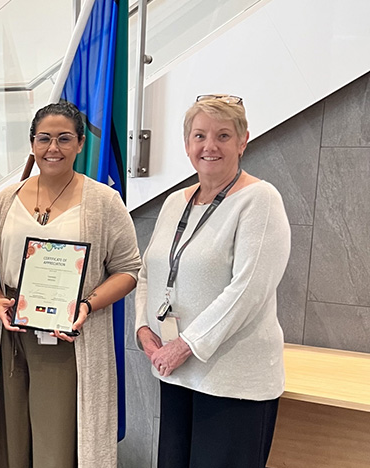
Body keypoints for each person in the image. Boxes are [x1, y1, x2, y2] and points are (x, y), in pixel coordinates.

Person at [0, 101, 141, 467]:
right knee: (14, 434)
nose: (53, 148)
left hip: (71, 337)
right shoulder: (6, 199)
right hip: (12, 332)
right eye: (44, 139)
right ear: (32, 143)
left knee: (59, 440)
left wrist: (86, 306)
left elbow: (129, 269)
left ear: (81, 144)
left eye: (64, 139)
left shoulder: (103, 201)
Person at [135, 94, 290, 468]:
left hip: (232, 380)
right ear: (187, 144)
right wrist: (143, 327)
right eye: (200, 136)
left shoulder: (259, 200)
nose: (210, 146)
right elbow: (148, 274)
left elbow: (248, 290)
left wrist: (185, 345)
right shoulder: (175, 202)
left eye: (223, 135)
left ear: (243, 141)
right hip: (176, 374)